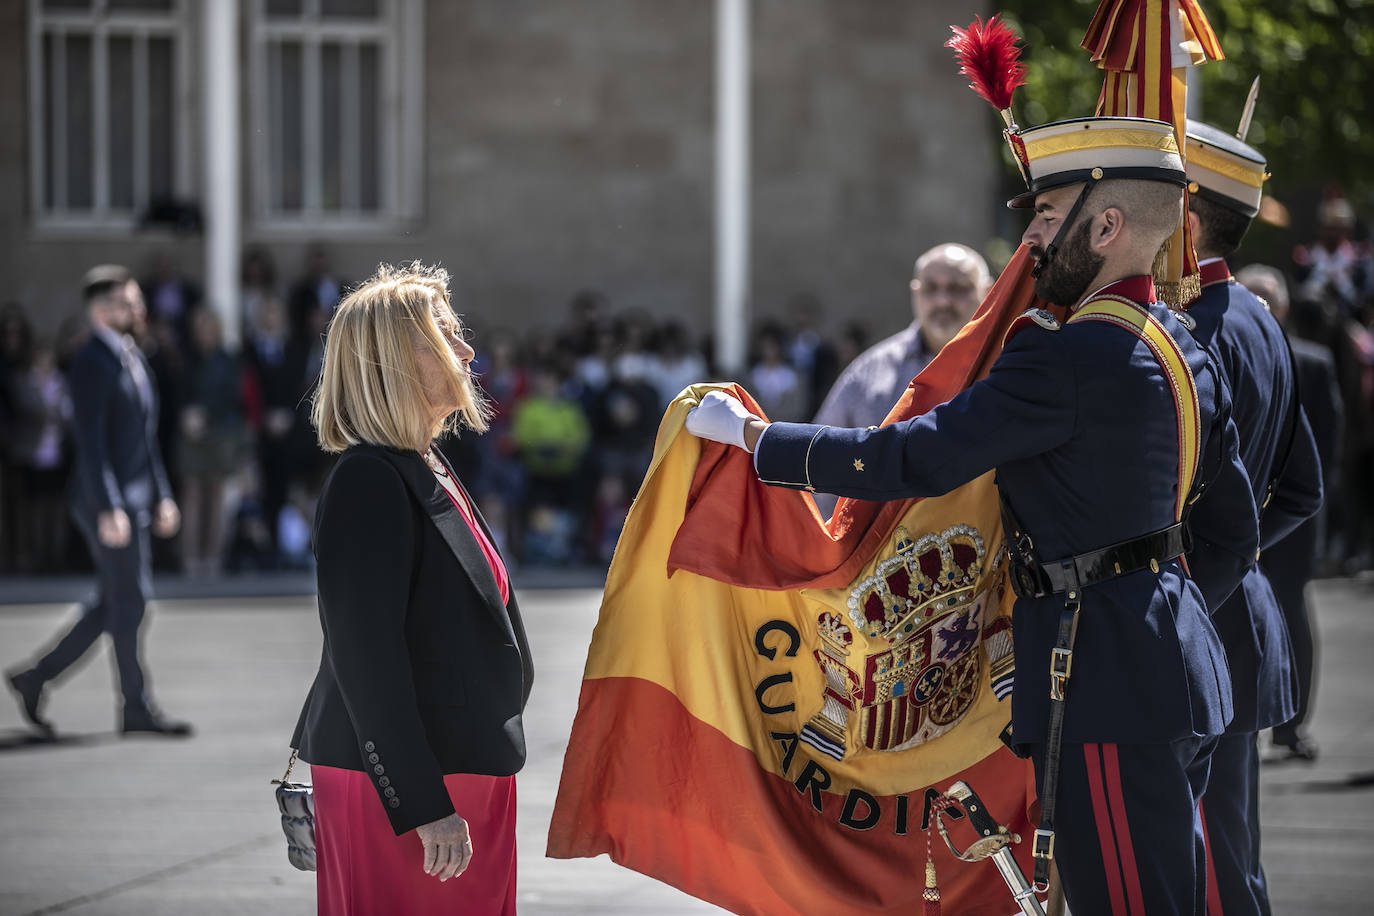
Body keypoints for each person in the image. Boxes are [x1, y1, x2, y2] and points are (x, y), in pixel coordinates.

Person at [687, 117, 1259, 913]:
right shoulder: (1181, 344)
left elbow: (911, 459)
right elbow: (1234, 533)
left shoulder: (1062, 355)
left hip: (1098, 675)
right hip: (1176, 665)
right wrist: (1157, 620)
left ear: (1107, 226)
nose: (1029, 243)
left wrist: (757, 440)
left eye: (1049, 220)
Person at [291, 262, 533, 915]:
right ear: (398, 359)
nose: (468, 351)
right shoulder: (368, 479)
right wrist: (422, 802)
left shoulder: (427, 462)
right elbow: (365, 657)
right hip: (406, 788)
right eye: (447, 335)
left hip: (466, 768)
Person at [1181, 119, 1325, 915]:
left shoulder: (1192, 332)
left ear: (1188, 220)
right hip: (1238, 619)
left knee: (1202, 864)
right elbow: (1301, 490)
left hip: (1197, 624)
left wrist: (1193, 583)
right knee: (1231, 863)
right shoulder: (1257, 318)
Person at [6, 265, 189, 737]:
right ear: (103, 310)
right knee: (132, 600)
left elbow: (144, 439)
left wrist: (163, 495)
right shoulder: (91, 361)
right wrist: (109, 507)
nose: (140, 310)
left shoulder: (130, 356)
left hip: (135, 499)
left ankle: (36, 677)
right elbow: (91, 442)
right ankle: (135, 707)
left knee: (119, 602)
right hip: (105, 503)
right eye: (130, 303)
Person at [1239, 263, 1344, 761]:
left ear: (1283, 306)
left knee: (1292, 615)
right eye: (1251, 297)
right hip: (1242, 515)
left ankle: (1292, 725)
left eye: (1268, 298)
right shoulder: (1225, 352)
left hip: (1293, 516)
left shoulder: (1313, 362)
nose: (1261, 306)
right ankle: (1248, 722)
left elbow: (1330, 442)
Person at [813, 242, 991, 429]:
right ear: (915, 292)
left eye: (958, 288)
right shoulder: (869, 372)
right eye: (930, 288)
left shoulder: (1008, 362)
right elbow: (823, 449)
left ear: (988, 292)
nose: (943, 301)